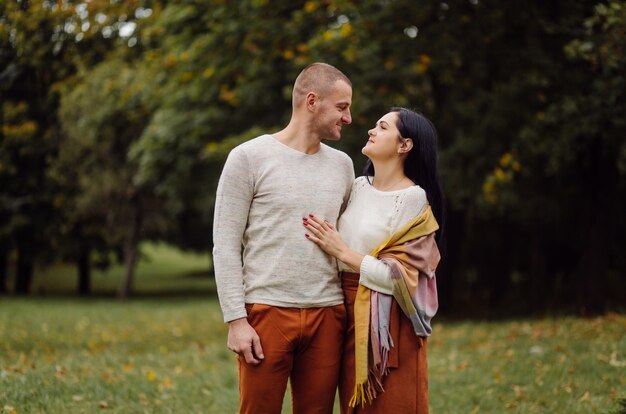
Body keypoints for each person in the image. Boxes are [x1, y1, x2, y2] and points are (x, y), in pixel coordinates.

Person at [212, 62, 355, 414]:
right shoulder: (248, 157)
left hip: (328, 315)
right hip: (266, 314)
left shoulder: (343, 166)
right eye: (342, 107)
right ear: (311, 101)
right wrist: (236, 320)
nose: (349, 117)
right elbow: (225, 245)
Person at [303, 107, 444, 413]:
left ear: (404, 145)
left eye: (382, 127)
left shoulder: (413, 198)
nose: (371, 131)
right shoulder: (356, 186)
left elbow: (401, 279)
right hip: (343, 309)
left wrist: (343, 252)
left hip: (388, 322)